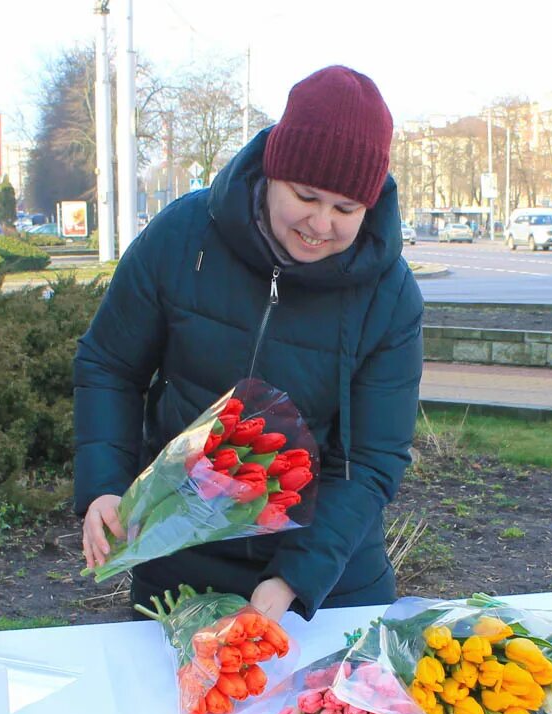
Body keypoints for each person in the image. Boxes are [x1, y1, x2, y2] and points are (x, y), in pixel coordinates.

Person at [75, 66, 422, 623]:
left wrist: (293, 578)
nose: (320, 224)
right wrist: (105, 487)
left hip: (329, 580)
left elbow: (372, 459)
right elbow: (109, 366)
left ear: (371, 204)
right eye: (305, 196)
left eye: (346, 209)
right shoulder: (183, 236)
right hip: (178, 559)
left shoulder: (390, 294)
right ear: (273, 172)